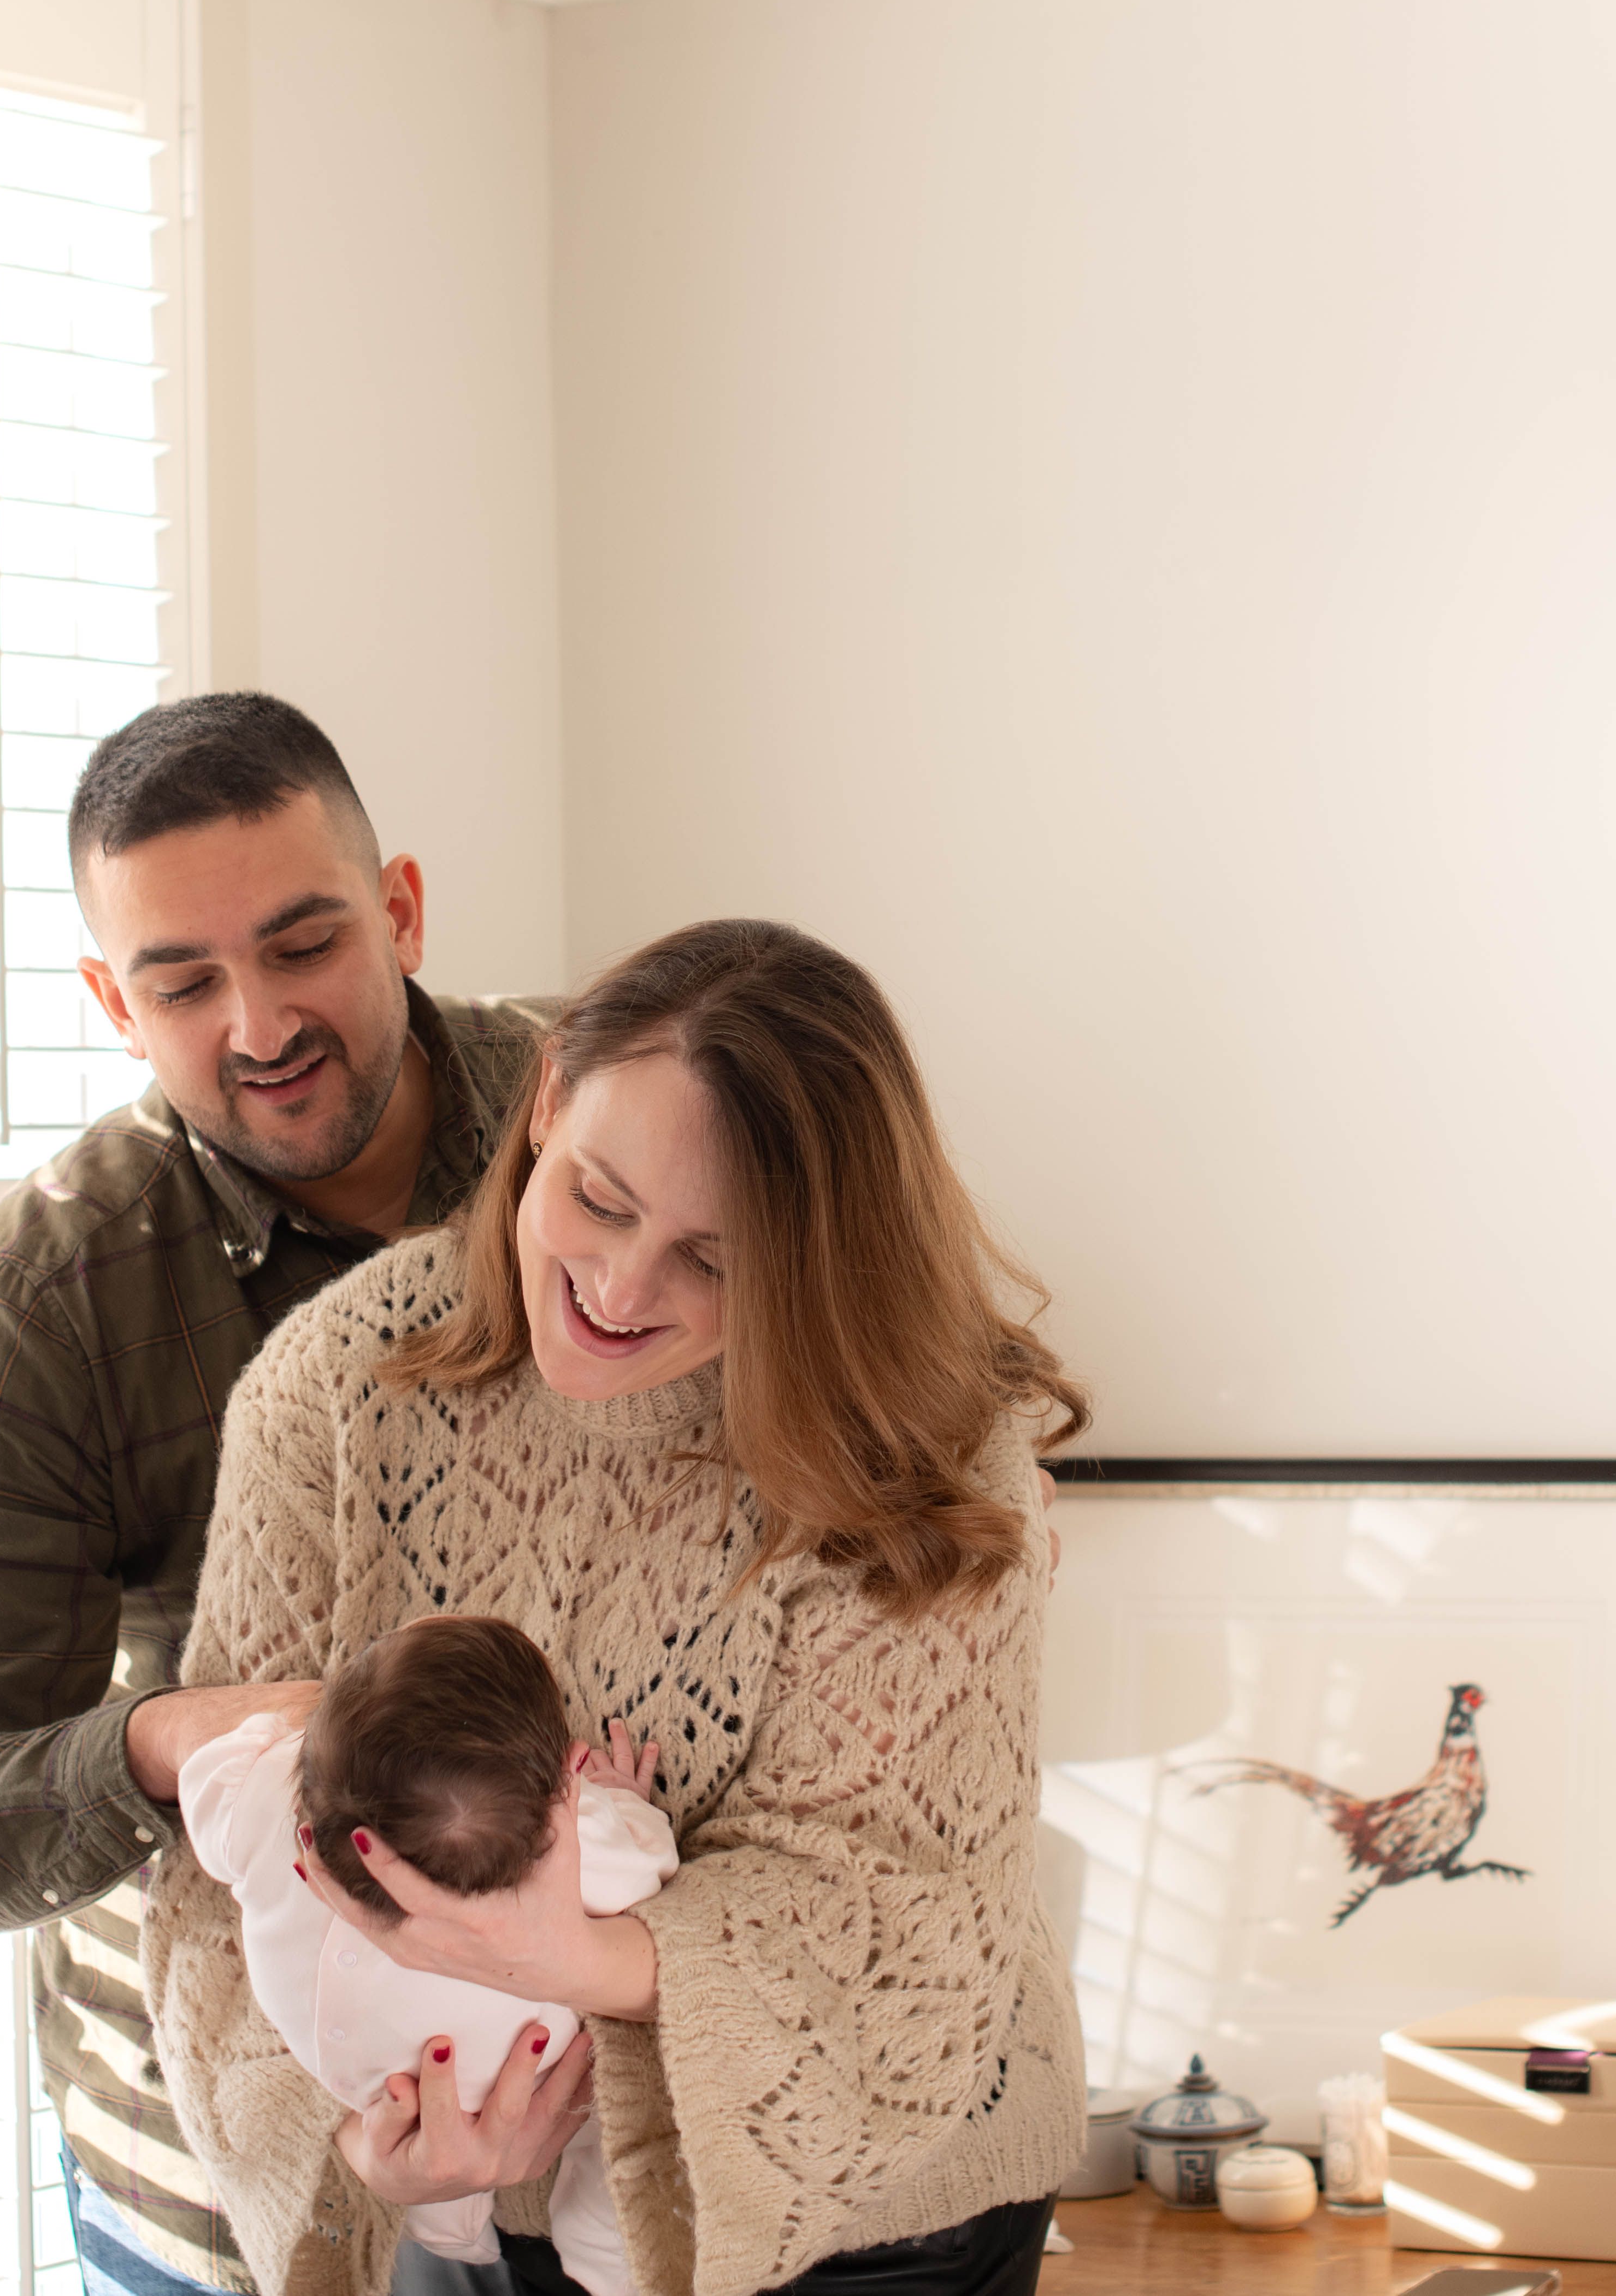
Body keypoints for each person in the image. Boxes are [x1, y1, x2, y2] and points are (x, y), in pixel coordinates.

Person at [146, 918, 1091, 2296]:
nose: (619, 1287)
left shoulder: (918, 1454)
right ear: (543, 1101)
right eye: (595, 1196)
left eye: (715, 1258)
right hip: (458, 2202)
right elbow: (220, 1865)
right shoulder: (341, 1387)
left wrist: (582, 1952)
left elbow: (904, 1906)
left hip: (873, 2223)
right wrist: (367, 2143)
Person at [0, 691, 555, 2296]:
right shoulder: (52, 1292)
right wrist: (167, 1744)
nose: (258, 1023)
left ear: (403, 911)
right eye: (182, 982)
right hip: (231, 2208)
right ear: (113, 998)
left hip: (603, 2143)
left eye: (304, 947)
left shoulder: (599, 1125)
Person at [176, 1615, 676, 2296]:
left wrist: (271, 1735)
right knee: (618, 2070)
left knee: (418, 2085)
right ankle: (602, 2253)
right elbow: (653, 1865)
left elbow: (205, 1784)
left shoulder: (264, 1789)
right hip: (497, 2069)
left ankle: (445, 2220)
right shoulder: (580, 1845)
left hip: (338, 2065)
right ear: (562, 1787)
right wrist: (619, 1801)